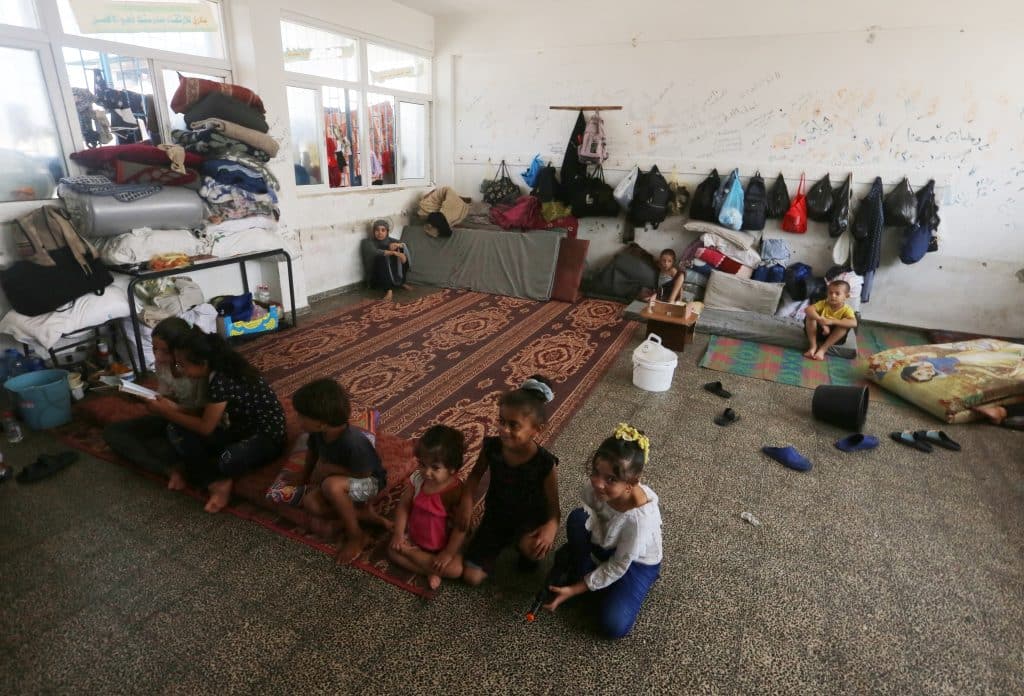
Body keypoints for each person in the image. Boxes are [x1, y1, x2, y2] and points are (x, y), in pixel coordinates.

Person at [543, 423, 662, 639]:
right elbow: (593, 517)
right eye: (596, 472)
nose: (598, 483)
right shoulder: (598, 490)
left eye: (611, 479)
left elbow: (618, 565)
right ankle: (588, 578)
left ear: (631, 483)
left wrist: (575, 589)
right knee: (578, 519)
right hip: (608, 542)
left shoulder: (639, 521)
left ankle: (587, 582)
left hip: (634, 562)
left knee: (612, 625)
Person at [148, 328, 286, 513]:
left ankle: (216, 480)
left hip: (265, 437)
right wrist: (177, 409)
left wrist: (166, 412)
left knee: (226, 460)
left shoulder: (222, 379)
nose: (181, 370)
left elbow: (206, 427)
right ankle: (214, 478)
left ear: (203, 363)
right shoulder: (216, 370)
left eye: (183, 365)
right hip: (236, 429)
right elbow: (208, 411)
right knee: (175, 429)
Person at [461, 376, 560, 585]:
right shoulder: (492, 447)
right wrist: (467, 503)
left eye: (514, 425)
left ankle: (521, 547)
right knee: (471, 577)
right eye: (502, 421)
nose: (504, 430)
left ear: (536, 429)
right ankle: (497, 543)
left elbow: (553, 509)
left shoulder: (545, 463)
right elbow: (474, 476)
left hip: (529, 522)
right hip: (495, 517)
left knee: (533, 554)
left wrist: (550, 528)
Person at [286, 378, 391, 564]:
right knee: (311, 503)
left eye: (301, 416)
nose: (297, 419)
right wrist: (304, 478)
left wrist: (331, 469)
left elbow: (364, 474)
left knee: (331, 486)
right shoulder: (317, 433)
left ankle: (355, 535)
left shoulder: (354, 443)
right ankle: (365, 516)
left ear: (321, 424)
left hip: (369, 484)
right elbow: (312, 453)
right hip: (342, 481)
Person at [102, 318, 205, 477]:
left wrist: (172, 408)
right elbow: (165, 394)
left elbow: (204, 413)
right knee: (113, 432)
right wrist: (139, 396)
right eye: (154, 349)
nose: (157, 357)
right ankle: (167, 469)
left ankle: (170, 465)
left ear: (179, 350)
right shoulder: (161, 365)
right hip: (170, 417)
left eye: (164, 351)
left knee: (170, 445)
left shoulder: (196, 369)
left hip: (192, 421)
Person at [388, 425, 472, 590]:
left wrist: (448, 553)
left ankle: (413, 556)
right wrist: (398, 534)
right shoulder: (418, 479)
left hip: (442, 547)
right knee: (392, 550)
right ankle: (429, 570)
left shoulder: (456, 492)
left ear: (452, 469)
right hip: (415, 538)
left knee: (456, 569)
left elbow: (460, 528)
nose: (426, 472)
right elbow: (403, 506)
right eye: (422, 464)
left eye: (435, 468)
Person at [803, 279, 857, 361]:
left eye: (837, 293)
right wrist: (821, 321)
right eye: (830, 293)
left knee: (844, 326)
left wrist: (832, 321)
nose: (833, 296)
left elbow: (854, 323)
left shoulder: (847, 309)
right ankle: (813, 347)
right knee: (810, 316)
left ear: (846, 296)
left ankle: (822, 350)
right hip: (818, 333)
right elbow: (808, 309)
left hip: (835, 338)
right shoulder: (824, 303)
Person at [359, 218, 411, 302]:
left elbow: (406, 247)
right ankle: (389, 290)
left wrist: (399, 245)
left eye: (383, 230)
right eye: (377, 230)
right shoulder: (367, 242)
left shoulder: (391, 240)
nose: (380, 233)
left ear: (387, 232)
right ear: (373, 231)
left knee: (402, 250)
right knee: (382, 257)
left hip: (391, 274)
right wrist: (393, 253)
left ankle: (401, 282)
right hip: (376, 276)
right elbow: (375, 252)